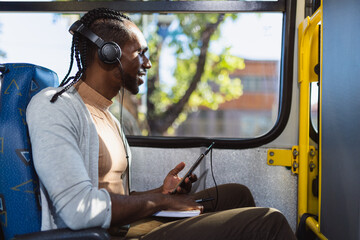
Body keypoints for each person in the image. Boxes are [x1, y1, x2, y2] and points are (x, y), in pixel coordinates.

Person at [26, 8, 296, 239]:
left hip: (128, 224)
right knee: (269, 222)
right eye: (140, 53)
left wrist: (162, 191)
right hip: (109, 234)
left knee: (238, 194)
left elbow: (116, 193)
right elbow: (77, 209)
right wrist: (161, 201)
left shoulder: (109, 116)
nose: (149, 63)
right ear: (108, 54)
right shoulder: (55, 107)